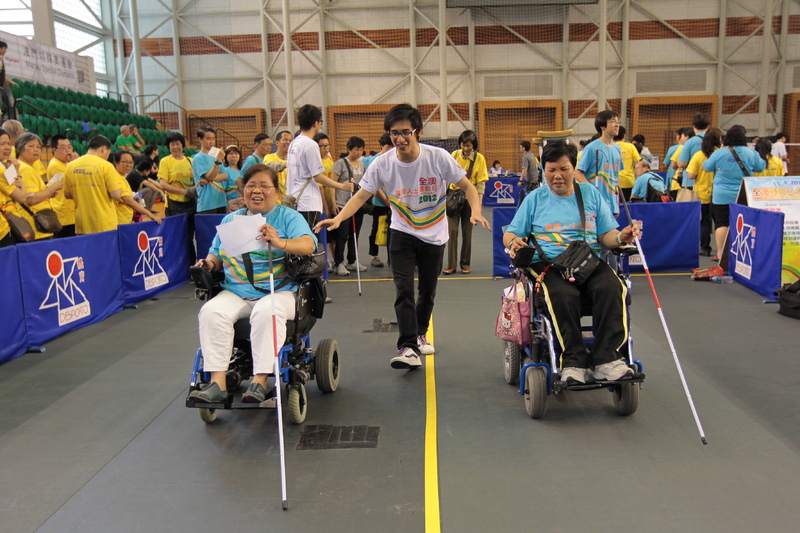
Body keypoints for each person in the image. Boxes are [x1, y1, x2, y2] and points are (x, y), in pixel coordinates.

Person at [314, 104, 490, 370]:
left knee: (427, 292)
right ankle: (408, 347)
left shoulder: (437, 157)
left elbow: (468, 187)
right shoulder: (382, 163)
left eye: (406, 132)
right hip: (402, 232)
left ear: (418, 131)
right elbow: (361, 196)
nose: (400, 138)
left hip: (434, 234)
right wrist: (339, 218)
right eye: (394, 133)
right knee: (404, 290)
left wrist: (475, 211)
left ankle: (420, 333)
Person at [503, 140, 641, 384]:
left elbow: (606, 235)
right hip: (548, 265)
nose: (557, 176)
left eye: (564, 169)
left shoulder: (590, 193)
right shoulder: (535, 198)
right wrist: (513, 241)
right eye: (551, 170)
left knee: (613, 287)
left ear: (574, 169)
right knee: (562, 295)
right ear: (543, 170)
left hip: (586, 261)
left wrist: (621, 237)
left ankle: (607, 360)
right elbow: (511, 233)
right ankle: (574, 361)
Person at [189, 164, 317, 403]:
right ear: (243, 191)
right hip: (236, 291)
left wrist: (280, 242)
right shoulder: (231, 219)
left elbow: (309, 245)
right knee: (211, 312)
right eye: (251, 186)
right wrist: (209, 263)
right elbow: (216, 254)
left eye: (264, 186)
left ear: (276, 192)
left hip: (279, 291)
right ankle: (217, 383)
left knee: (266, 312)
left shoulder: (288, 217)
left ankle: (260, 381)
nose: (257, 190)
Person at [702, 125, 766, 260]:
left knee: (721, 224)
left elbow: (707, 167)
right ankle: (742, 253)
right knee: (744, 224)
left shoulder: (719, 153)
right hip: (743, 193)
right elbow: (761, 167)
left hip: (721, 195)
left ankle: (720, 254)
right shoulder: (750, 153)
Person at [285, 104, 352, 229]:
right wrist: (342, 186)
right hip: (307, 203)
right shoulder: (310, 145)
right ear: (316, 123)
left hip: (295, 201)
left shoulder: (294, 143)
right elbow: (318, 177)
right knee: (310, 239)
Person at [444, 130, 488, 275]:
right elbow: (446, 177)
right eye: (463, 145)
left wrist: (478, 206)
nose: (466, 148)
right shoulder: (454, 155)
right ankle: (451, 265)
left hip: (470, 199)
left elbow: (480, 184)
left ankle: (465, 264)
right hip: (453, 198)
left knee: (467, 233)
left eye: (468, 145)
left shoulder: (479, 158)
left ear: (473, 146)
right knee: (452, 231)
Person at [63, 135, 125, 235]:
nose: (107, 157)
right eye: (108, 153)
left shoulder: (71, 166)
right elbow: (116, 195)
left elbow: (67, 194)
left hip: (82, 224)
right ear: (103, 149)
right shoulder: (106, 166)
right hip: (104, 224)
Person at [15, 132, 62, 240]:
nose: (36, 150)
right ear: (20, 149)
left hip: (32, 227)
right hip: (35, 227)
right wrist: (52, 188)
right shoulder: (25, 169)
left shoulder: (22, 167)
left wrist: (47, 193)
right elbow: (30, 200)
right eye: (31, 146)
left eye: (38, 147)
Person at [331, 136, 367, 275]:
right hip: (342, 204)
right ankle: (339, 263)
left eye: (361, 150)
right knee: (342, 235)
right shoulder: (340, 164)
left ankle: (352, 261)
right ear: (349, 149)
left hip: (357, 204)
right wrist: (333, 202)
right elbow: (332, 184)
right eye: (356, 149)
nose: (358, 152)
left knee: (354, 234)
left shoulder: (362, 165)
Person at [576, 110, 623, 215]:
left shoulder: (617, 149)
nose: (617, 125)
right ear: (602, 126)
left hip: (613, 204)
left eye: (618, 122)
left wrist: (617, 198)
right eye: (613, 121)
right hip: (596, 204)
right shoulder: (591, 148)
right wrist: (591, 190)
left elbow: (617, 174)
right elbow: (578, 173)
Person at [686, 128, 722, 257]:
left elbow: (691, 175)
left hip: (701, 194)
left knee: (704, 222)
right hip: (719, 194)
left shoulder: (699, 155)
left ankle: (705, 248)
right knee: (720, 223)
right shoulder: (721, 154)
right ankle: (722, 250)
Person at [363, 133, 393, 268]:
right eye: (388, 146)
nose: (390, 149)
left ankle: (392, 258)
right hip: (380, 203)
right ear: (382, 145)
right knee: (376, 228)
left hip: (394, 202)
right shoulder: (374, 160)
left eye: (392, 146)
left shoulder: (394, 158)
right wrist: (385, 199)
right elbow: (374, 183)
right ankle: (374, 255)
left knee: (393, 231)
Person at [0, 128, 27, 246]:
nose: (7, 147)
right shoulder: (1, 170)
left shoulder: (4, 167)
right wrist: (17, 172)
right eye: (2, 144)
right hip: (3, 229)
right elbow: (21, 197)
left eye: (9, 143)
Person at [47, 134, 77, 237]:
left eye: (69, 147)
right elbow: (71, 183)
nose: (68, 150)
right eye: (63, 148)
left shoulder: (66, 163)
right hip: (64, 214)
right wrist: (75, 164)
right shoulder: (55, 165)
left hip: (71, 212)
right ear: (54, 150)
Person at [192, 126, 228, 215]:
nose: (211, 141)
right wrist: (217, 161)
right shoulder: (199, 158)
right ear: (200, 139)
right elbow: (209, 176)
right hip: (207, 204)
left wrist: (209, 179)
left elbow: (225, 176)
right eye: (208, 139)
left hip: (221, 201)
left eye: (213, 138)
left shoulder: (215, 155)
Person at [614, 126, 641, 202]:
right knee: (628, 205)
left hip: (613, 182)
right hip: (629, 181)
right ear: (624, 136)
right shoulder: (630, 146)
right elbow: (637, 163)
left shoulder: (610, 147)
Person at [263, 130, 292, 198]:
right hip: (274, 200)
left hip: (291, 200)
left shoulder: (294, 159)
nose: (288, 142)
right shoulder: (269, 157)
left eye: (290, 140)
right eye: (285, 140)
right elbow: (269, 167)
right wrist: (286, 164)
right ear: (277, 143)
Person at [221, 145, 244, 213]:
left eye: (236, 153)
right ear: (226, 156)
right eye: (231, 154)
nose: (234, 156)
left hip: (243, 203)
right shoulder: (224, 170)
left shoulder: (243, 171)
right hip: (231, 204)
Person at [0, 41, 18, 120]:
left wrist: (11, 82)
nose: (5, 51)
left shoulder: (1, 61)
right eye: (4, 49)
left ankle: (15, 123)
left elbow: (3, 74)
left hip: (4, 87)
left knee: (12, 105)